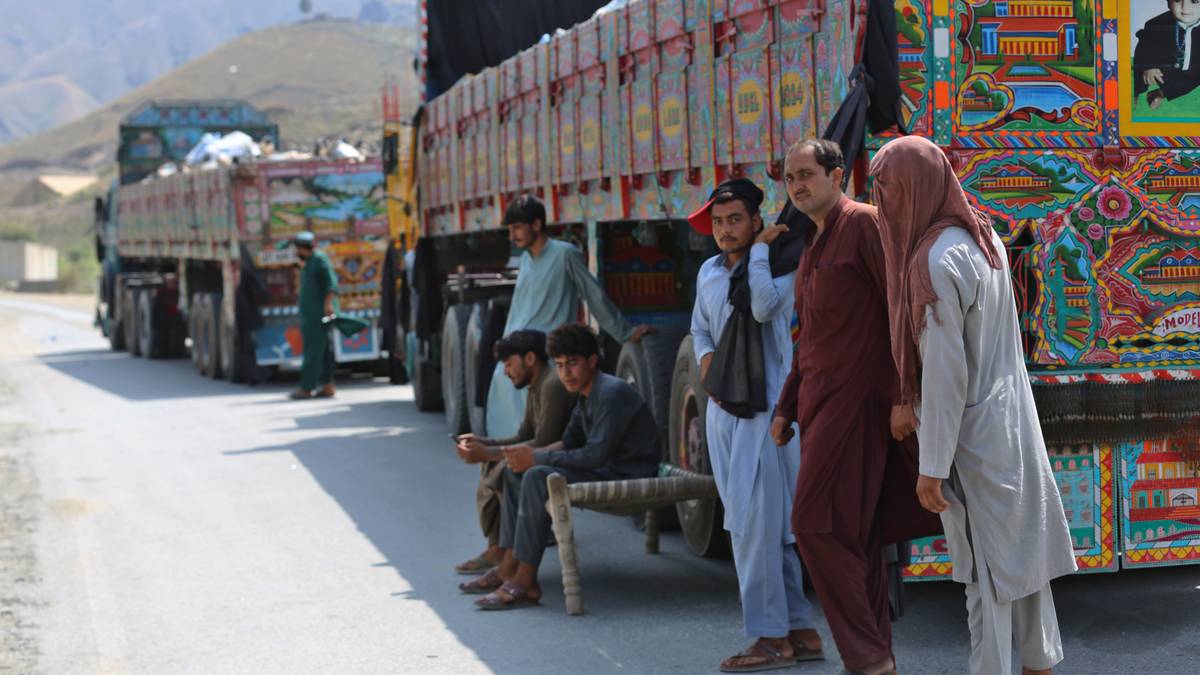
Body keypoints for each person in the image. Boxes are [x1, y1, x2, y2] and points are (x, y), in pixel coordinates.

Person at [870, 136, 1076, 675]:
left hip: (974, 440)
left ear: (915, 187)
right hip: (1009, 422)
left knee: (985, 579)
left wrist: (931, 467)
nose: (878, 198)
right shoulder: (982, 237)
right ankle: (1039, 664)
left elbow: (945, 377)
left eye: (885, 185)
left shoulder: (932, 263)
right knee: (1023, 564)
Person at [771, 139, 930, 675]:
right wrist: (786, 407)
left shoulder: (863, 225)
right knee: (855, 537)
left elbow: (902, 310)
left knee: (814, 527)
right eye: (789, 177)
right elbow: (809, 339)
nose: (796, 185)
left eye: (806, 174)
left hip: (861, 407)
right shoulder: (813, 243)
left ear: (837, 175)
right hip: (819, 409)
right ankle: (875, 656)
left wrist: (905, 396)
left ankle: (867, 660)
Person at [688, 178, 823, 672]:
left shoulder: (783, 269)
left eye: (736, 221)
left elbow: (764, 306)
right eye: (719, 222)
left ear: (757, 223)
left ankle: (770, 638)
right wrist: (705, 363)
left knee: (758, 529)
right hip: (724, 413)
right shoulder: (708, 271)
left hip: (767, 419)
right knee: (759, 528)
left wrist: (763, 253)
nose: (725, 231)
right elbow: (699, 327)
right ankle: (800, 632)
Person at [472, 323, 660, 610]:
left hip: (626, 473)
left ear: (593, 361)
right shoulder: (584, 394)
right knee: (516, 471)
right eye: (559, 365)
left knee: (536, 475)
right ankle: (510, 564)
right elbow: (567, 442)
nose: (565, 373)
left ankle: (525, 582)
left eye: (572, 363)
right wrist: (523, 455)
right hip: (603, 469)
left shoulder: (610, 392)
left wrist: (536, 459)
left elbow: (594, 455)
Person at [485, 195, 652, 438]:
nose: (512, 236)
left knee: (545, 437)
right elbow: (518, 310)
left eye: (517, 228)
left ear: (536, 224)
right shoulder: (525, 260)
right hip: (519, 358)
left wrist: (624, 332)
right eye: (510, 229)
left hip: (547, 360)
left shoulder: (565, 254)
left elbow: (593, 295)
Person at [451, 330, 574, 581]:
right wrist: (482, 443)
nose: (507, 372)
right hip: (545, 456)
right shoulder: (536, 387)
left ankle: (508, 555)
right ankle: (498, 548)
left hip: (559, 461)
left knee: (507, 468)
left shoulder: (551, 385)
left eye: (509, 364)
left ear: (529, 358)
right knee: (492, 462)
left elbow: (544, 442)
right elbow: (522, 436)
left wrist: (489, 452)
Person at [289, 231, 338, 400]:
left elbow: (331, 285)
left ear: (303, 248)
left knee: (313, 352)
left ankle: (306, 388)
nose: (296, 252)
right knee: (323, 352)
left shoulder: (319, 260)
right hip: (312, 317)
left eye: (297, 248)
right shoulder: (309, 262)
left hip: (318, 317)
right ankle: (328, 386)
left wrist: (328, 305)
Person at [1133, 0, 1200, 109]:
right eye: (1178, 0)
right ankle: (1134, 95)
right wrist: (1149, 66)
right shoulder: (1157, 24)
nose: (1185, 8)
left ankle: (1160, 93)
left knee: (1194, 78)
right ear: (1168, 3)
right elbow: (1144, 46)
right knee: (1139, 72)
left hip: (1190, 73)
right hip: (1161, 69)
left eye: (1195, 1)